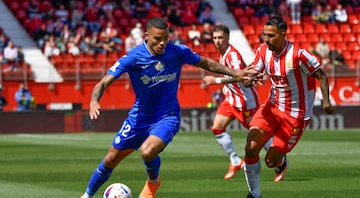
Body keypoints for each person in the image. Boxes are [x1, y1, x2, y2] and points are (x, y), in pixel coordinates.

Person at [80, 17, 254, 198]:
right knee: (110, 159)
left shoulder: (177, 52)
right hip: (139, 117)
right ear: (146, 36)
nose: (162, 43)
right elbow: (103, 82)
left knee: (147, 151)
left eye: (166, 38)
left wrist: (236, 72)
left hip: (167, 116)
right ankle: (87, 195)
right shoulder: (133, 57)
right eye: (157, 39)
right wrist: (94, 100)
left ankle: (153, 181)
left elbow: (207, 63)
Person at [242, 16, 335, 198]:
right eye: (265, 35)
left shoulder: (299, 54)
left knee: (271, 161)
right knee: (251, 146)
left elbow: (322, 76)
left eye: (271, 35)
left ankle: (281, 162)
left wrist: (326, 101)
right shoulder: (262, 51)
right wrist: (248, 79)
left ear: (283, 34)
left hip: (295, 116)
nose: (266, 39)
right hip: (271, 107)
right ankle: (255, 195)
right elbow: (252, 73)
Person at [202, 25, 277, 180]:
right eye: (215, 38)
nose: (217, 41)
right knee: (217, 128)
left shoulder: (232, 55)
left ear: (227, 38)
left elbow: (239, 76)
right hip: (231, 100)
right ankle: (235, 160)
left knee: (258, 136)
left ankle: (280, 162)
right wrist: (225, 87)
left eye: (220, 38)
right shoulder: (223, 54)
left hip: (245, 101)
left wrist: (216, 80)